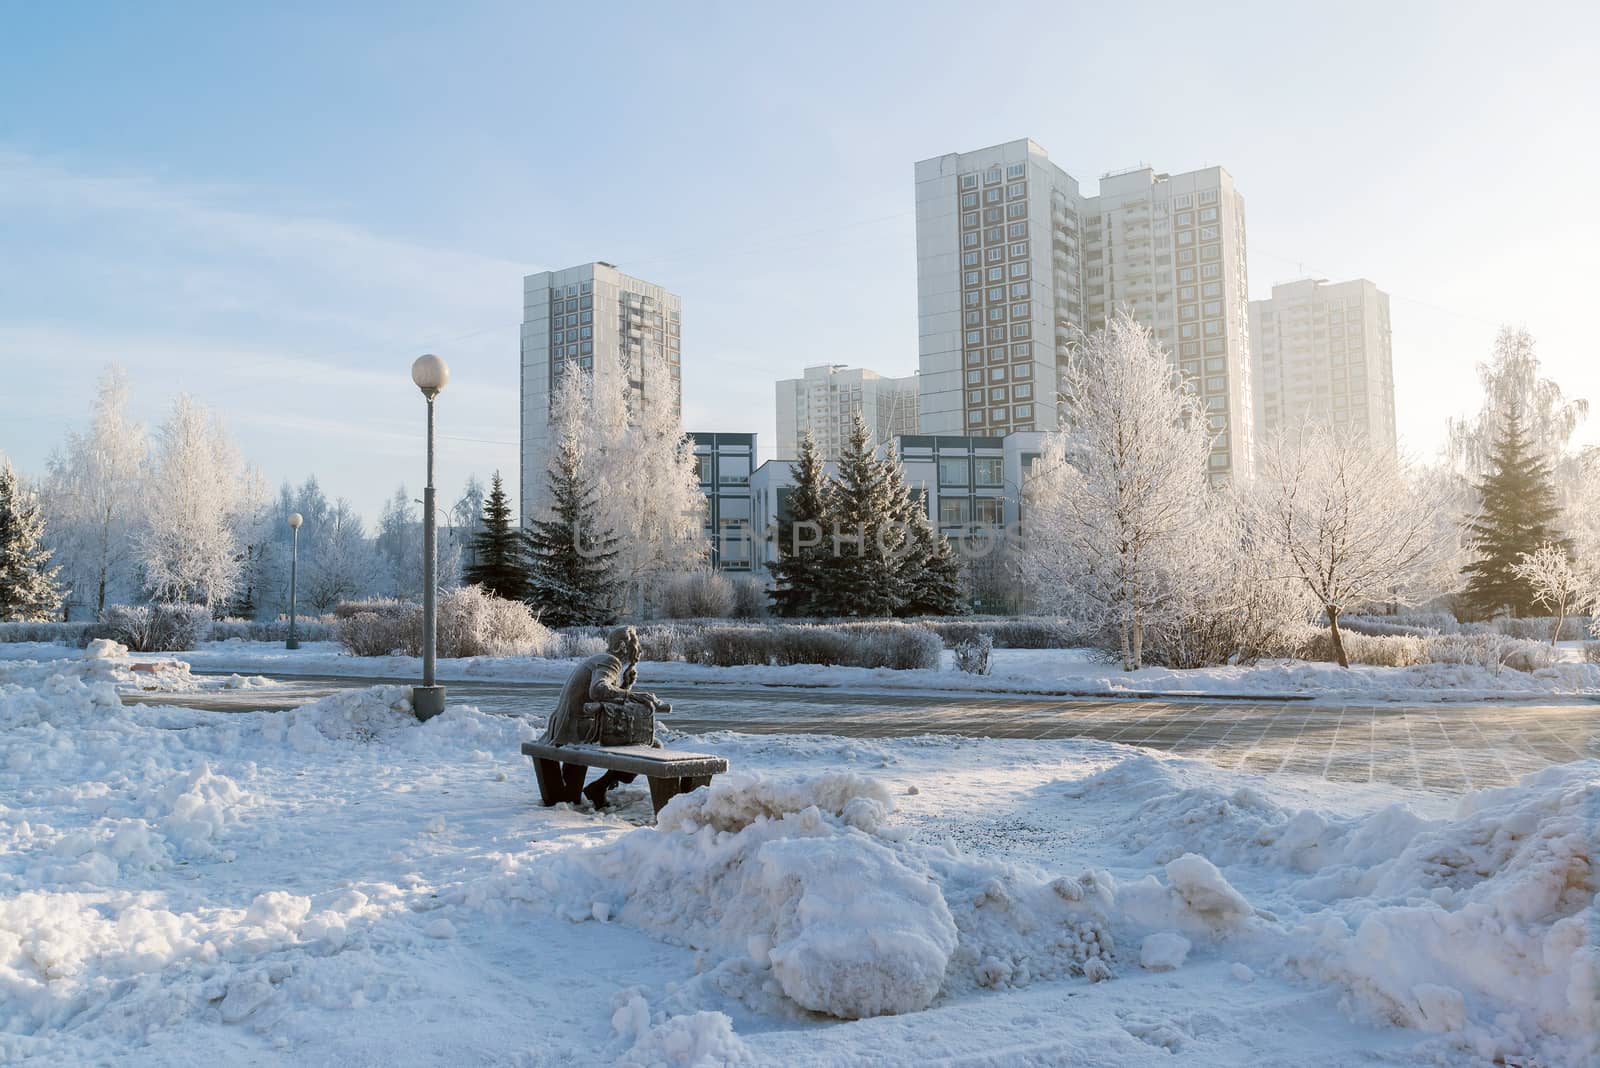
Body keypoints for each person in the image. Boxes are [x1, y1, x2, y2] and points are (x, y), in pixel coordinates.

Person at [542, 625, 671, 808]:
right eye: (635, 643)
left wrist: (626, 685)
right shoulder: (611, 661)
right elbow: (598, 690)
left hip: (567, 725)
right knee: (653, 746)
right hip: (580, 728)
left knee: (646, 745)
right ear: (622, 646)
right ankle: (600, 786)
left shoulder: (601, 660)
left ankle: (595, 788)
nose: (638, 648)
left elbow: (608, 698)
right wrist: (631, 695)